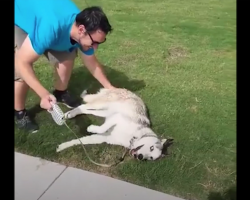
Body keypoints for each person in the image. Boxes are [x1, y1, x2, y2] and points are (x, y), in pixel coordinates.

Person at [15, 0, 115, 133]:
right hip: (22, 18)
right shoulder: (50, 27)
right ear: (81, 30)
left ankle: (60, 93)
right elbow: (22, 63)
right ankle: (19, 112)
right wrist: (43, 94)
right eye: (95, 42)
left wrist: (110, 88)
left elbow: (91, 61)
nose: (95, 47)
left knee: (67, 58)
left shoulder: (83, 26)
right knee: (22, 74)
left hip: (51, 19)